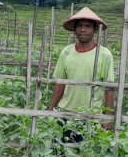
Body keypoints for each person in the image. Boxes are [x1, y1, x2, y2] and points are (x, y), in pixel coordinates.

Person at [49, 7, 115, 141]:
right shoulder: (66, 52)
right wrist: (50, 109)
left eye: (87, 26)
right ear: (74, 29)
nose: (83, 30)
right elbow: (60, 83)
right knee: (61, 154)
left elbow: (109, 89)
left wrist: (107, 118)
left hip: (90, 116)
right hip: (65, 113)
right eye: (79, 26)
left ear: (95, 30)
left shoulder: (104, 55)